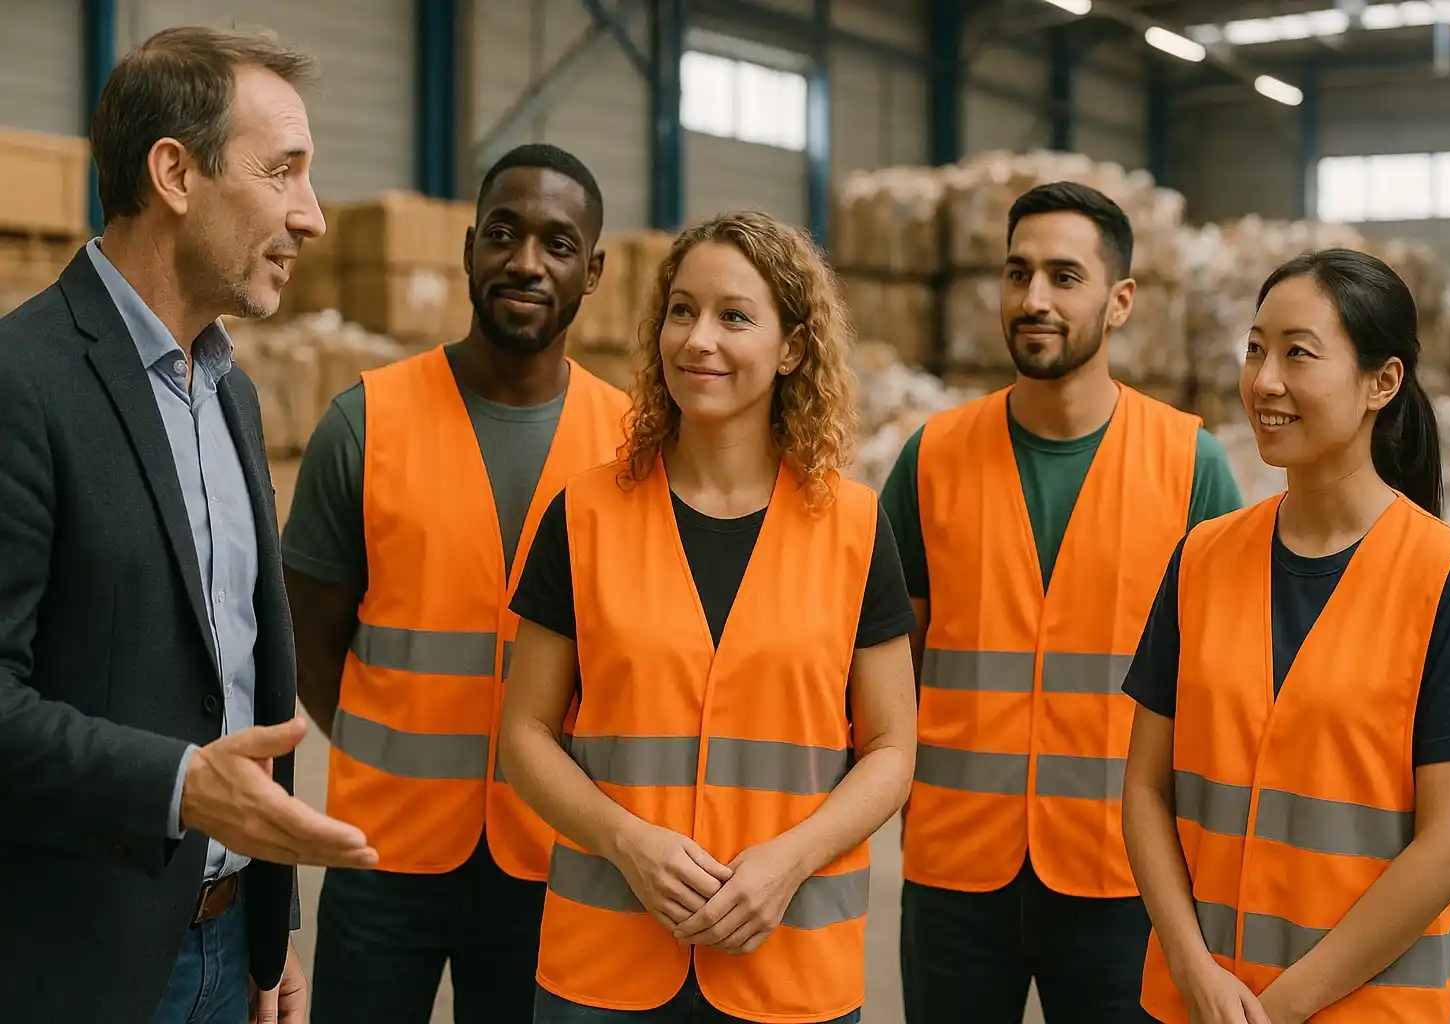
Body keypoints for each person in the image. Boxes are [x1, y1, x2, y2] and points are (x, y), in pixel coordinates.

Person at [0, 24, 380, 1024]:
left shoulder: (231, 394)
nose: (312, 216)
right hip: (84, 966)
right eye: (282, 171)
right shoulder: (23, 384)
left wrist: (270, 930)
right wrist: (179, 784)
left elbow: (247, 668)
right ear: (174, 172)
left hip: (228, 944)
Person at [497, 209, 918, 1023]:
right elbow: (525, 734)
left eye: (734, 317)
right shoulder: (583, 515)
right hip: (605, 964)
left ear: (792, 348)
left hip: (790, 964)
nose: (698, 340)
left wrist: (790, 862)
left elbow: (892, 751)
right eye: (682, 311)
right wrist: (627, 842)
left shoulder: (857, 529)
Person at [1121, 248, 1450, 1024]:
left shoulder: (1448, 579)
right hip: (1194, 1005)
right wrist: (1192, 968)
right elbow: (1145, 787)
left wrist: (1282, 1006)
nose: (1264, 381)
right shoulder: (1202, 558)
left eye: (1298, 353)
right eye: (1255, 349)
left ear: (1383, 382)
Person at [281, 142, 631, 1023]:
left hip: (553, 855)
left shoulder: (631, 450)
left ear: (593, 272)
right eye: (503, 234)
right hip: (382, 852)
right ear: (469, 248)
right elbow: (307, 640)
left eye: (558, 244)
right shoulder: (365, 424)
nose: (526, 261)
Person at [880, 180, 1246, 1024]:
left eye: (1064, 276)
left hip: (1124, 879)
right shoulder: (931, 459)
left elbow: (1223, 685)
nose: (1034, 298)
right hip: (954, 873)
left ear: (1120, 302)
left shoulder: (1189, 466)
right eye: (1017, 274)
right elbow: (890, 664)